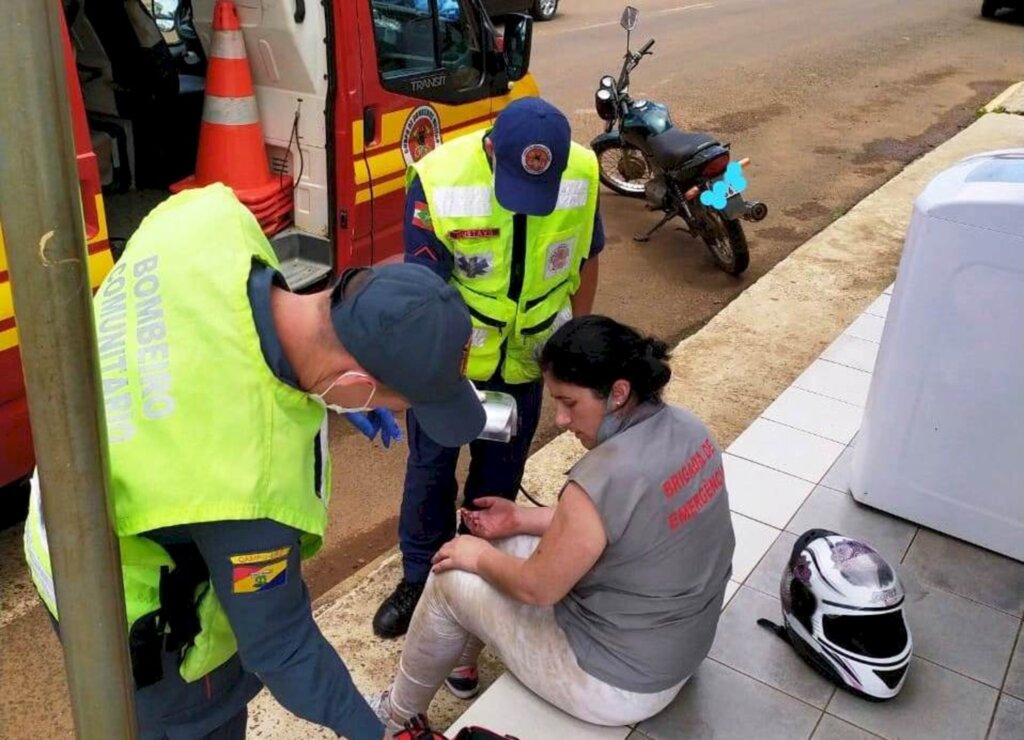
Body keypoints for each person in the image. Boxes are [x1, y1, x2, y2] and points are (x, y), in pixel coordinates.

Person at [23, 183, 485, 739]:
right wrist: (374, 733)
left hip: (58, 520)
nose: (393, 411)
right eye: (395, 401)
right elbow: (283, 649)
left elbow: (208, 346)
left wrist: (323, 399)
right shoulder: (247, 487)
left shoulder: (210, 219)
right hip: (141, 625)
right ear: (357, 382)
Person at [366, 315, 736, 730]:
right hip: (680, 649)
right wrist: (519, 518)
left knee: (450, 574)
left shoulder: (603, 475)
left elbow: (536, 587)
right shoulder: (689, 429)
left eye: (570, 403)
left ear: (617, 393)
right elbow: (617, 521)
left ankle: (394, 719)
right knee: (502, 543)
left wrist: (476, 556)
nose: (560, 419)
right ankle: (461, 669)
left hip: (617, 684)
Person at [373, 97, 605, 647]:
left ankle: (473, 571)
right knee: (430, 471)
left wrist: (574, 346)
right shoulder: (439, 179)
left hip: (525, 359)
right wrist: (424, 375)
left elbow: (589, 256)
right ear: (491, 150)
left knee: (498, 477)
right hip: (449, 370)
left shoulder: (583, 170)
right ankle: (418, 577)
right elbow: (424, 291)